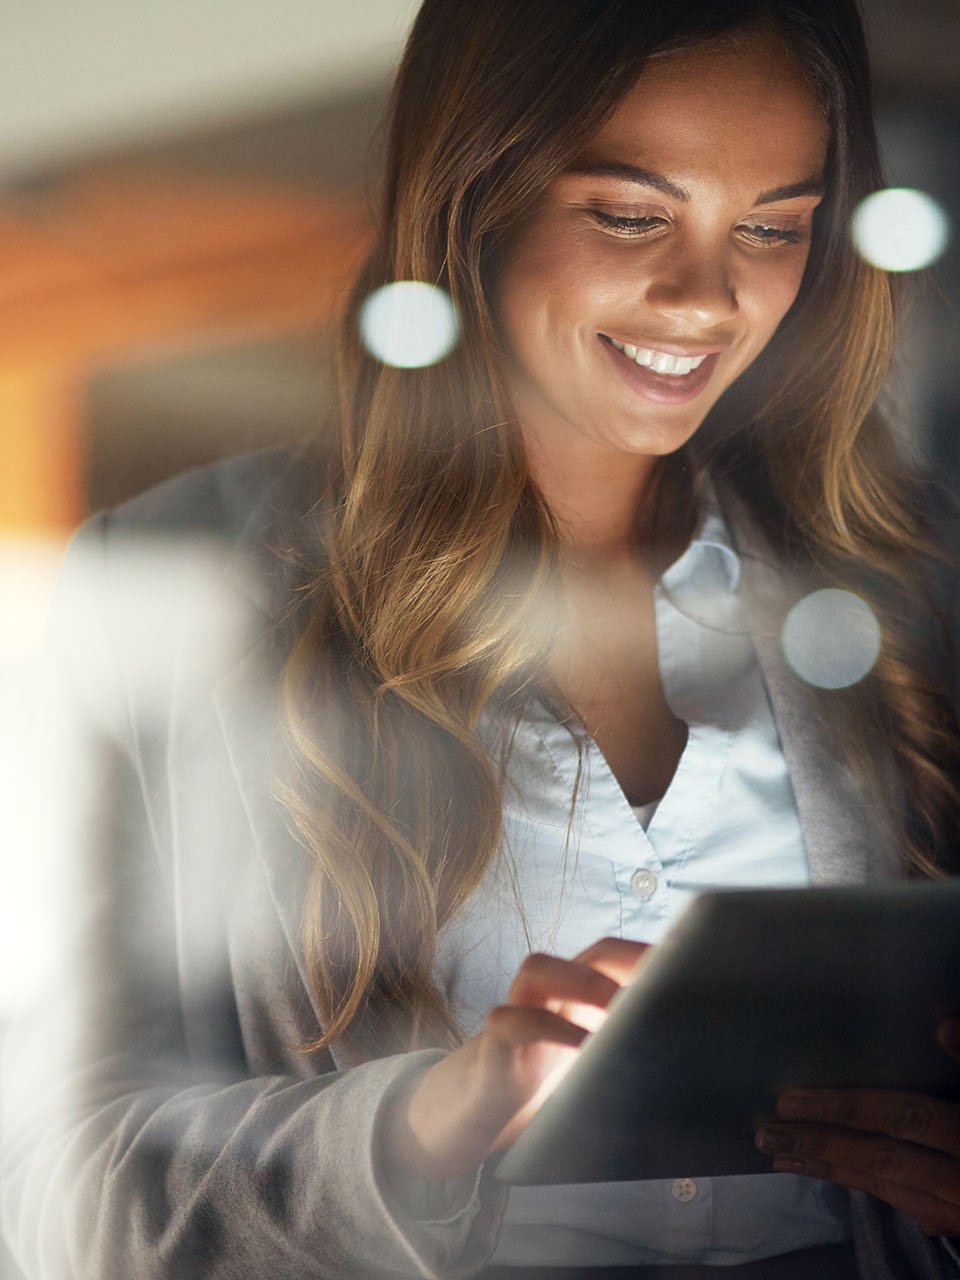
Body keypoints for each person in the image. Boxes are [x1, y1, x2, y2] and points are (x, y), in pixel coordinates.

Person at [2, 1, 960, 1277]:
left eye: (774, 229)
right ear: (473, 199)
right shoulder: (187, 581)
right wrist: (421, 1123)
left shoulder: (913, 590)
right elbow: (54, 1186)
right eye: (629, 214)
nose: (709, 297)